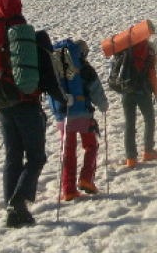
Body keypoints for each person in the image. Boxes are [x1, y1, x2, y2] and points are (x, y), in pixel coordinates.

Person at [0, 0, 60, 229]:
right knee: (36, 156)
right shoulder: (31, 39)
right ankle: (19, 201)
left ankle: (12, 212)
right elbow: (50, 76)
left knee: (13, 156)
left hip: (3, 102)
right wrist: (62, 100)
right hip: (27, 104)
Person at [46, 39, 109, 201]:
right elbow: (96, 91)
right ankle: (86, 179)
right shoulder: (85, 68)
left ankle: (68, 189)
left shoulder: (56, 68)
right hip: (83, 114)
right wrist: (103, 105)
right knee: (90, 146)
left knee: (68, 152)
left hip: (62, 115)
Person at [120, 38, 157, 168]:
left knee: (129, 124)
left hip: (126, 92)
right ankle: (148, 151)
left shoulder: (125, 51)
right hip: (142, 92)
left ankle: (130, 158)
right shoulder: (148, 52)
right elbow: (152, 74)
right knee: (149, 119)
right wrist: (156, 92)